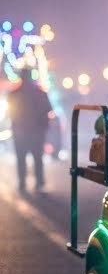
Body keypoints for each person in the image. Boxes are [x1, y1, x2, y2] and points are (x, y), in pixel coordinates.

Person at [7, 66, 54, 194]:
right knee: (37, 157)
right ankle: (38, 181)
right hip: (34, 132)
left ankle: (23, 182)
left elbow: (10, 113)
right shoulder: (40, 93)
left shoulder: (14, 94)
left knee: (22, 158)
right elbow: (48, 110)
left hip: (22, 131)